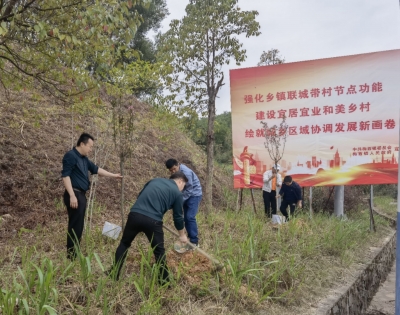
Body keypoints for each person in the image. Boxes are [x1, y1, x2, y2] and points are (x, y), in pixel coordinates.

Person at [109, 171, 189, 284]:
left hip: (134, 215)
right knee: (159, 251)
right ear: (180, 181)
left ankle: (114, 273)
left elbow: (140, 196)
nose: (182, 189)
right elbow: (178, 217)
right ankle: (164, 282)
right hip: (153, 221)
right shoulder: (177, 193)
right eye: (183, 186)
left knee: (124, 244)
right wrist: (182, 235)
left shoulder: (155, 180)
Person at [61, 133, 122, 260]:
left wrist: (113, 175)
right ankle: (71, 255)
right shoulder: (70, 156)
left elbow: (96, 169)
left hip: (81, 195)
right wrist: (72, 195)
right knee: (75, 225)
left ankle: (74, 252)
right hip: (75, 194)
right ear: (82, 144)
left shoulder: (84, 159)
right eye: (90, 146)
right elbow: (65, 176)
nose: (91, 149)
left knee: (78, 225)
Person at [165, 159, 202, 247]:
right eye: (171, 171)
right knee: (185, 217)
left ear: (178, 164)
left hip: (194, 195)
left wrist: (178, 201)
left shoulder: (186, 173)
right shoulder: (177, 174)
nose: (173, 171)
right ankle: (189, 237)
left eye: (174, 169)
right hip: (185, 195)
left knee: (189, 217)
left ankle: (194, 241)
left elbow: (189, 190)